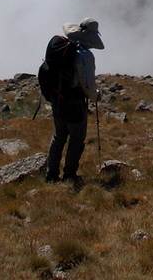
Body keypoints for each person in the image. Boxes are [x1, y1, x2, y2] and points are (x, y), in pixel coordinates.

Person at [45, 17, 103, 183]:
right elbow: (87, 85)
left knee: (59, 137)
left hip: (57, 97)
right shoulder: (85, 55)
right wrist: (95, 96)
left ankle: (52, 174)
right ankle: (69, 175)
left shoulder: (62, 47)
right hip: (74, 102)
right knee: (76, 139)